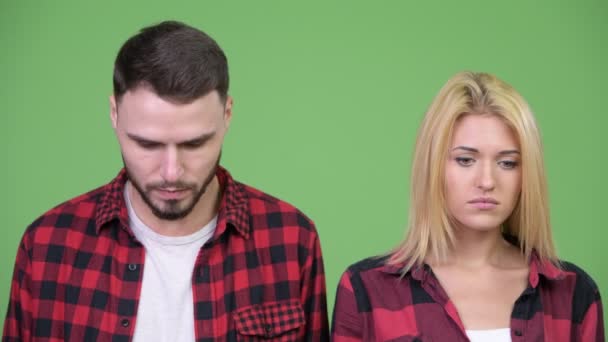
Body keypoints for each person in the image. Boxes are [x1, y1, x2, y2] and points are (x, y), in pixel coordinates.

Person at [3, 20, 329, 341]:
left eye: (194, 143)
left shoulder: (293, 240)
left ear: (227, 114)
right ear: (114, 113)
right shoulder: (47, 246)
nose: (171, 172)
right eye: (147, 144)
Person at [331, 72, 604, 342]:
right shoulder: (367, 290)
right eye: (465, 160)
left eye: (507, 163)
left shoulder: (573, 292)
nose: (486, 181)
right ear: (433, 167)